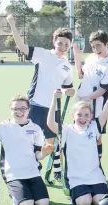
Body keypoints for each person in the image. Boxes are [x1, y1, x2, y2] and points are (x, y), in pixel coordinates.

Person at [6, 14, 75, 181]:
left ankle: (56, 171)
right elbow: (21, 46)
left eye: (67, 44)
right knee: (31, 140)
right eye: (60, 43)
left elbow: (67, 88)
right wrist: (12, 24)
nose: (63, 46)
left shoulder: (67, 66)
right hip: (35, 105)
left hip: (53, 109)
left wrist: (69, 92)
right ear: (54, 42)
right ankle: (29, 171)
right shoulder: (42, 54)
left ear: (70, 45)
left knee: (51, 143)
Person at [46, 82, 108, 205]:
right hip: (76, 178)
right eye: (79, 115)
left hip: (95, 175)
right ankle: (76, 195)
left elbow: (107, 109)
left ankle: (93, 192)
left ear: (91, 116)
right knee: (84, 204)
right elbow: (50, 123)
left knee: (100, 203)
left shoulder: (94, 127)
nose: (83, 118)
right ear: (73, 116)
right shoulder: (66, 130)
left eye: (86, 115)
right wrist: (54, 100)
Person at [0, 96, 54, 205]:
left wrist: (44, 153)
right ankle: (15, 193)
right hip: (14, 175)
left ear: (29, 109)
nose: (19, 112)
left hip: (32, 173)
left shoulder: (35, 129)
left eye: (23, 108)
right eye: (15, 109)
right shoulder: (3, 127)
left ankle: (27, 193)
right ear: (10, 110)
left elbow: (38, 155)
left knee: (43, 204)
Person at [73, 30, 108, 167]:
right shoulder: (91, 58)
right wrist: (77, 56)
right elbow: (80, 75)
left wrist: (88, 98)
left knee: (97, 136)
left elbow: (103, 89)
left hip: (96, 105)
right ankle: (78, 162)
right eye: (93, 46)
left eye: (99, 46)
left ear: (107, 44)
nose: (96, 49)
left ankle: (96, 165)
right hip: (80, 101)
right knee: (77, 130)